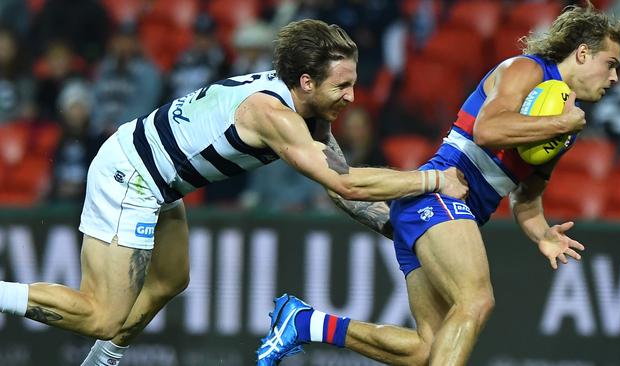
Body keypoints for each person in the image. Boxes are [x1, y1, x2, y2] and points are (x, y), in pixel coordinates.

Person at [0, 19, 468, 366]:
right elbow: (345, 182)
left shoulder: (309, 113)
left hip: (157, 176)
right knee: (102, 315)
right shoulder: (274, 116)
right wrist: (432, 181)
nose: (351, 97)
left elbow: (345, 191)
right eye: (342, 86)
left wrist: (406, 232)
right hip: (133, 171)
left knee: (169, 280)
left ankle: (97, 364)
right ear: (307, 82)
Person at [256, 3, 620, 366]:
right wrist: (561, 125)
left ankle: (305, 323)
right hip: (438, 197)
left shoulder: (563, 123)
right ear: (583, 54)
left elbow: (526, 198)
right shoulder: (529, 71)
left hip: (440, 212)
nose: (615, 77)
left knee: (427, 350)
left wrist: (543, 235)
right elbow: (487, 131)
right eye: (611, 64)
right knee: (476, 302)